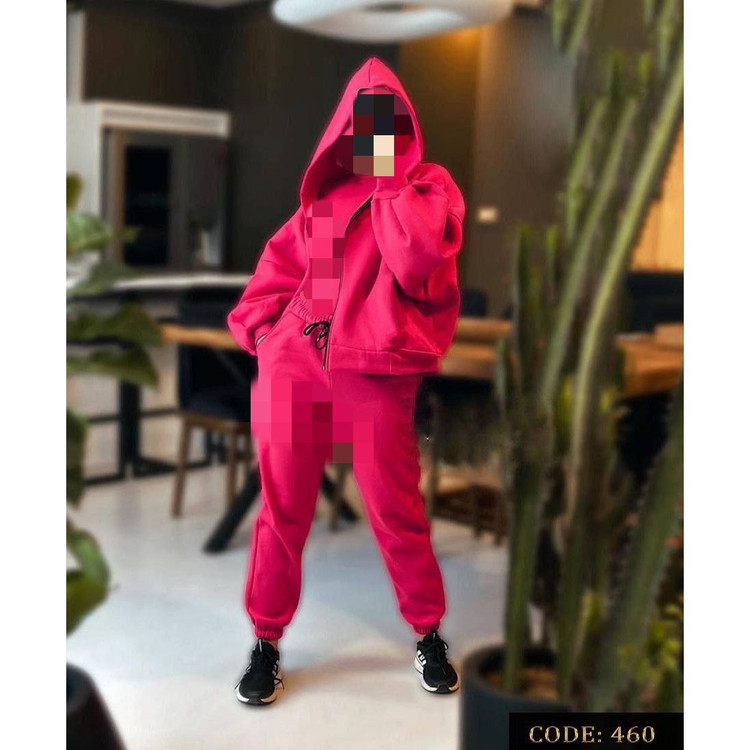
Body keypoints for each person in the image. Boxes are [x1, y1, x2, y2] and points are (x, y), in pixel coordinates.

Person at [228, 57, 465, 705]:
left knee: (395, 508)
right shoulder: (326, 202)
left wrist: (388, 181)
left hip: (378, 372)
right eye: (364, 124)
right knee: (281, 507)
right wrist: (266, 334)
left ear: (404, 127)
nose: (374, 136)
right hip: (296, 368)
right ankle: (266, 641)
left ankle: (427, 633)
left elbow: (416, 264)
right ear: (346, 129)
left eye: (386, 123)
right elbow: (286, 273)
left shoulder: (426, 191)